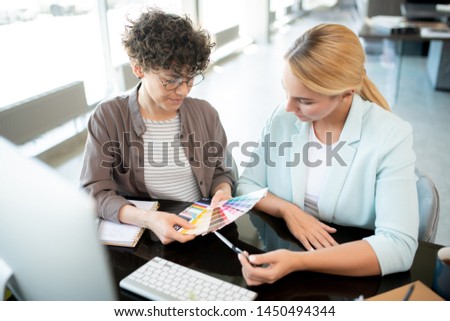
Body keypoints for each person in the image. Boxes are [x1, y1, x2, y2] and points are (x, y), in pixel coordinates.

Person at [236, 23, 419, 285]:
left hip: (348, 272)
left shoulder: (391, 136)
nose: (288, 107)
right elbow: (246, 185)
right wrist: (288, 210)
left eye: (305, 101)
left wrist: (298, 262)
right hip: (282, 254)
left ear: (346, 93)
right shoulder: (283, 118)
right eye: (287, 92)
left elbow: (399, 246)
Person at [80, 8, 235, 244]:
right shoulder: (109, 116)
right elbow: (94, 192)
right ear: (138, 68)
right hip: (146, 239)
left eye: (190, 78)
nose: (183, 90)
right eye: (170, 80)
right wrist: (147, 219)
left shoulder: (205, 113)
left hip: (200, 232)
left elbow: (221, 172)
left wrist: (222, 192)